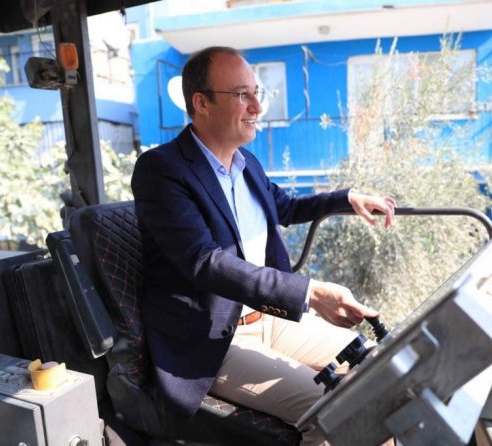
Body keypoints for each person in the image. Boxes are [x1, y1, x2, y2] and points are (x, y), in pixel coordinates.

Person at [130, 46, 396, 445]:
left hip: (269, 319)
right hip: (213, 341)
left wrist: (346, 198)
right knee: (337, 414)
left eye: (257, 93)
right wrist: (309, 293)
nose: (256, 106)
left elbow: (284, 207)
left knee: (383, 372)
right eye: (242, 95)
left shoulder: (246, 163)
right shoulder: (162, 170)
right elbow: (205, 262)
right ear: (201, 103)